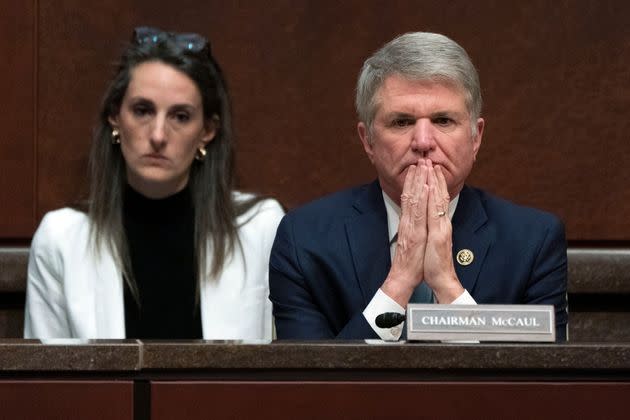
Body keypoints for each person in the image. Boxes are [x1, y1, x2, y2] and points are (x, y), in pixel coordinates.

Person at [269, 32, 568, 341]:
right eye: (401, 122)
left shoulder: (533, 241)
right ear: (367, 140)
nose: (423, 142)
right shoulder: (305, 240)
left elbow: (535, 384)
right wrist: (398, 284)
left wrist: (447, 286)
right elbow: (313, 384)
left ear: (476, 137)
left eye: (442, 120)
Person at [24, 27, 284, 340]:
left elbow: (283, 377)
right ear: (115, 118)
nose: (158, 135)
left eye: (181, 116)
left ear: (208, 131)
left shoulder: (260, 229)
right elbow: (47, 384)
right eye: (143, 111)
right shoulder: (61, 239)